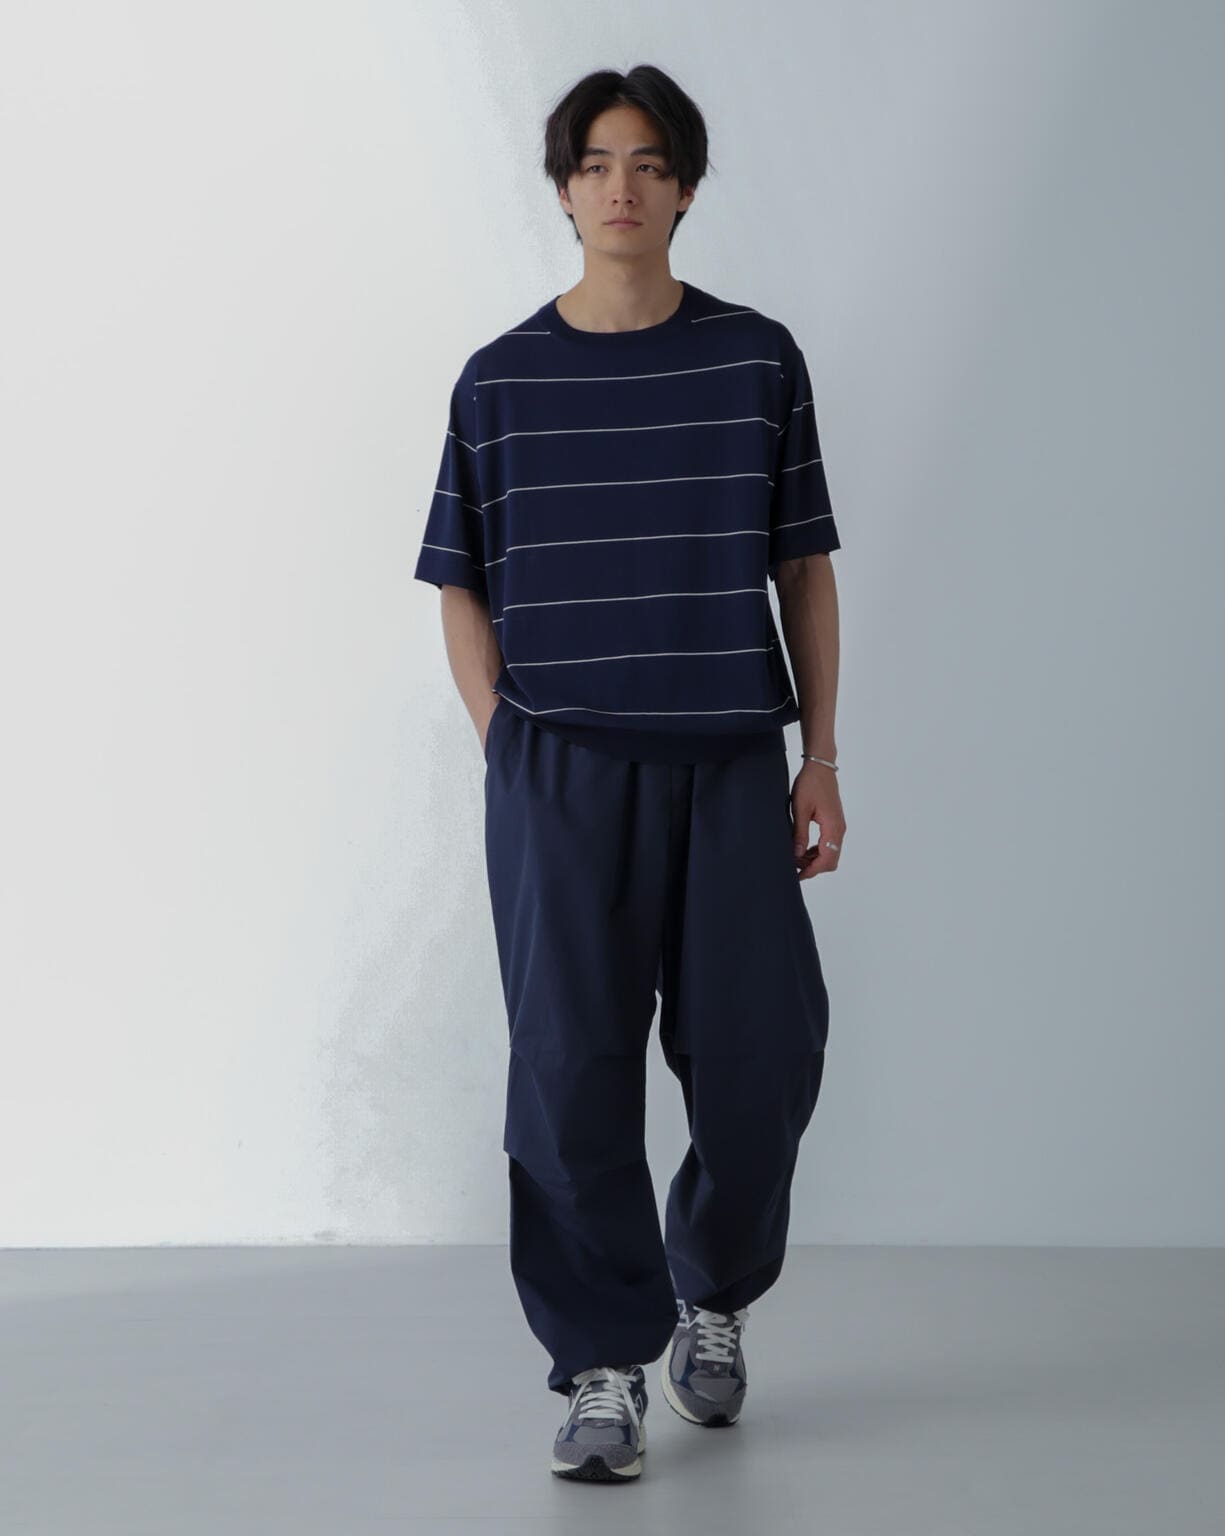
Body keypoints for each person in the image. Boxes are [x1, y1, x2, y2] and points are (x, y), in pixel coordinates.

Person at [413, 63, 844, 1483]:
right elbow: (461, 582)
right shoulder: (500, 379)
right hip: (560, 772)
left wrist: (820, 754)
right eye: (596, 164)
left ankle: (710, 1292)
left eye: (650, 164)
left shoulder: (755, 361)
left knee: (762, 1058)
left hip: (729, 761)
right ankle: (603, 1364)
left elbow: (803, 568)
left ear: (686, 188)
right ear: (563, 189)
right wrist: (505, 743)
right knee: (569, 1071)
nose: (622, 187)